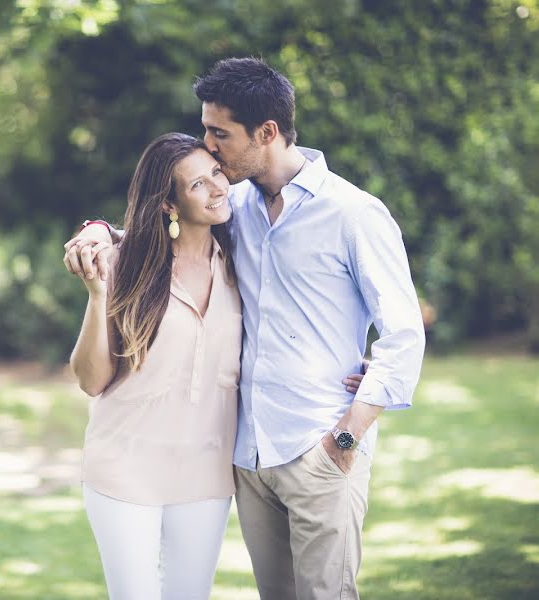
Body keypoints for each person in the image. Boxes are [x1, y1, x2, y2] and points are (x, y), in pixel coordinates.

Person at [65, 58, 426, 600]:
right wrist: (95, 230)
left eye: (219, 133)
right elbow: (160, 220)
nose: (208, 147)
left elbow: (404, 335)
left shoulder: (354, 214)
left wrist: (348, 436)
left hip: (319, 446)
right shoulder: (234, 203)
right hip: (248, 460)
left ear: (267, 132)